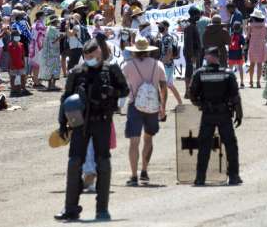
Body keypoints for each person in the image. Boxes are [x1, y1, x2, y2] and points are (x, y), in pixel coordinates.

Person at [54, 38, 128, 221]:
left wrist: (111, 92)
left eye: (92, 56)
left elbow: (125, 90)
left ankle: (102, 209)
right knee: (74, 163)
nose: (90, 60)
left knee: (103, 164)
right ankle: (70, 208)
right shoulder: (77, 72)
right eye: (86, 57)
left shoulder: (111, 70)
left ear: (100, 54)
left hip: (102, 121)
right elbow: (65, 99)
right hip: (80, 124)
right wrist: (62, 124)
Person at [189, 46, 243, 186]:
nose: (205, 58)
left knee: (204, 146)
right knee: (230, 145)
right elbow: (235, 96)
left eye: (207, 55)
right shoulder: (228, 73)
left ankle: (200, 178)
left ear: (210, 56)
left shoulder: (199, 74)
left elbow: (192, 94)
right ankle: (234, 176)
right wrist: (239, 113)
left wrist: (201, 104)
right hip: (224, 113)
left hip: (208, 114)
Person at [122, 36, 167, 186]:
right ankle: (144, 171)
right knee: (148, 139)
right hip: (153, 106)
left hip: (135, 105)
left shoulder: (128, 65)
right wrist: (163, 107)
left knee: (134, 142)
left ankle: (133, 176)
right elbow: (163, 87)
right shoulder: (158, 65)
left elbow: (121, 84)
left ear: (135, 51)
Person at [157, 20, 183, 107]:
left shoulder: (167, 38)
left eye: (161, 25)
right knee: (170, 85)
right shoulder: (167, 37)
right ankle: (180, 103)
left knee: (163, 86)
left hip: (166, 65)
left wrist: (163, 62)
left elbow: (169, 51)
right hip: (168, 64)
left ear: (166, 27)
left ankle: (161, 106)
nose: (159, 27)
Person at [183, 6, 202, 98]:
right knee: (190, 73)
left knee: (192, 72)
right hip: (192, 54)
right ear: (194, 15)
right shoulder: (190, 26)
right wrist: (192, 56)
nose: (199, 16)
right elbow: (189, 42)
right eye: (198, 14)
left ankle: (190, 92)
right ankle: (188, 92)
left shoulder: (191, 24)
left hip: (193, 53)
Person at [246, 9, 267, 88]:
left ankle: (251, 81)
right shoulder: (265, 26)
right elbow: (266, 36)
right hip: (261, 45)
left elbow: (248, 36)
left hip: (253, 45)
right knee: (259, 64)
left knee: (252, 64)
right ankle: (258, 82)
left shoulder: (250, 25)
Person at [39, 16, 62, 91]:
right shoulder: (54, 29)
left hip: (47, 52)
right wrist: (60, 37)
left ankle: (49, 85)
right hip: (53, 51)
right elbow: (54, 40)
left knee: (49, 68)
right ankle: (53, 85)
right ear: (55, 22)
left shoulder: (47, 28)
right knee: (55, 68)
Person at [8, 29, 29, 97]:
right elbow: (10, 56)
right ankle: (13, 90)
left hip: (21, 64)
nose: (18, 36)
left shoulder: (21, 44)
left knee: (22, 76)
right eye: (16, 35)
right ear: (12, 37)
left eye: (18, 35)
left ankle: (22, 89)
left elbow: (23, 55)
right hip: (13, 64)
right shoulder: (10, 45)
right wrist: (11, 65)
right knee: (13, 77)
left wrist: (23, 63)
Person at [228, 21, 246, 88]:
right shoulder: (240, 36)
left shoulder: (231, 35)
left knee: (230, 68)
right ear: (240, 28)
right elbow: (244, 45)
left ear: (233, 27)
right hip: (238, 53)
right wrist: (242, 51)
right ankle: (241, 82)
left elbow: (228, 43)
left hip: (231, 53)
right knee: (240, 68)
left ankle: (229, 82)